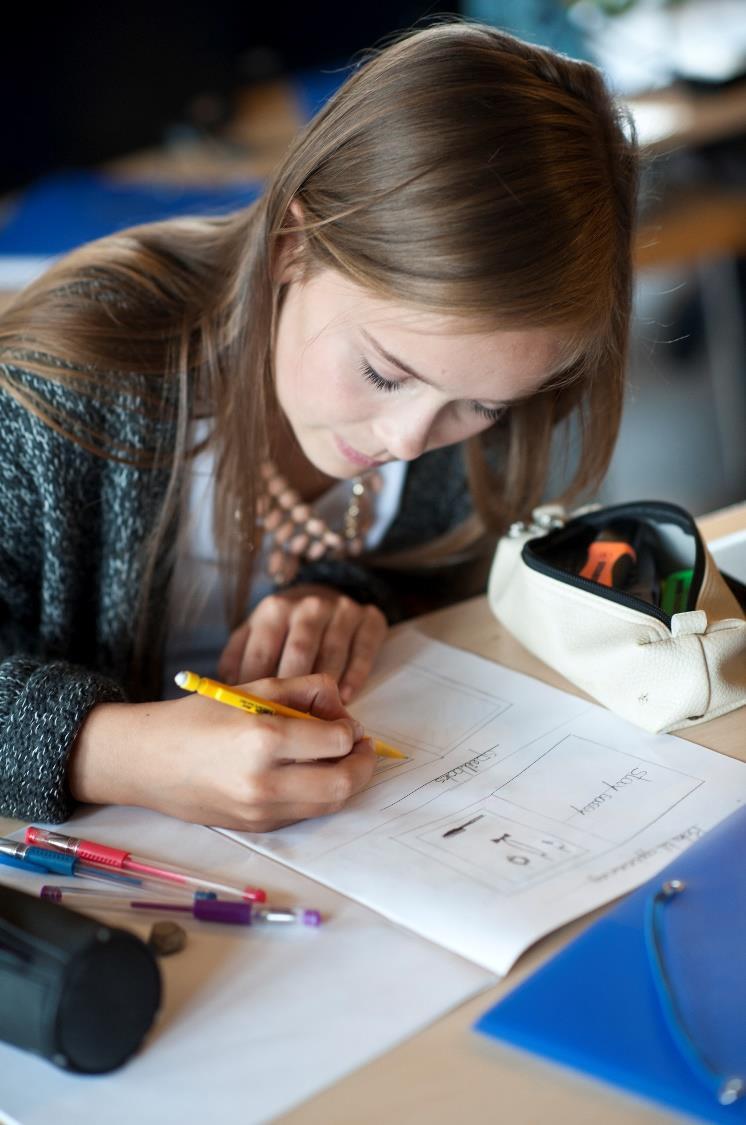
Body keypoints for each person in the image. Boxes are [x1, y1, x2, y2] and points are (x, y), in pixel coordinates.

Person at [0, 21, 637, 829]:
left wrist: (348, 596)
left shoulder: (492, 413)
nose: (409, 441)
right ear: (293, 245)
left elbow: (461, 590)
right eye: (383, 372)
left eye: (481, 405)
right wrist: (123, 752)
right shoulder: (68, 383)